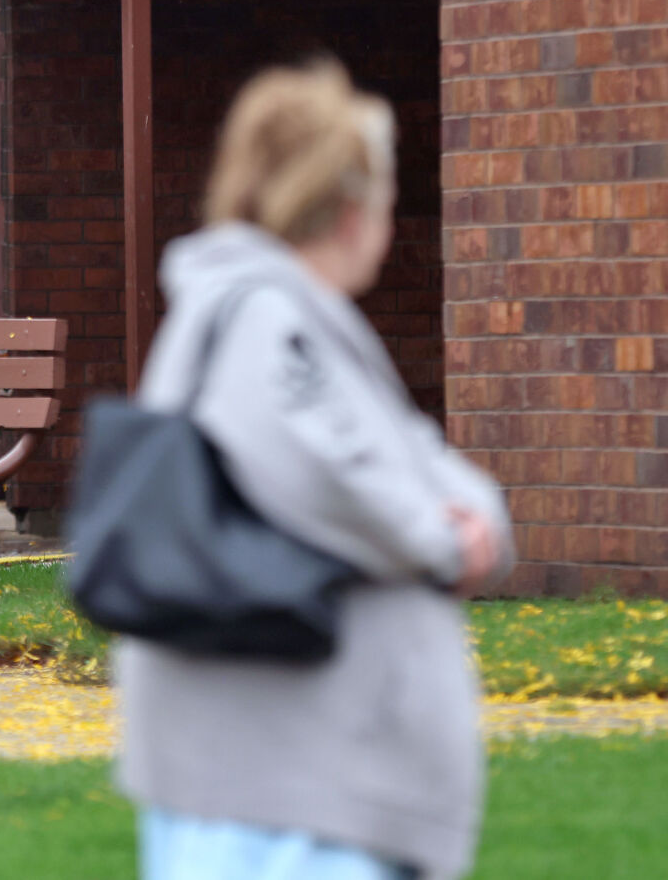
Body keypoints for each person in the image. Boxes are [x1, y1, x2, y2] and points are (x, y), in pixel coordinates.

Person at [116, 60, 513, 880]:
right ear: (349, 206)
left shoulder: (255, 310)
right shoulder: (267, 318)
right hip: (292, 797)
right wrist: (444, 539)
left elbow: (396, 451)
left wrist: (461, 509)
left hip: (272, 780)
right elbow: (329, 468)